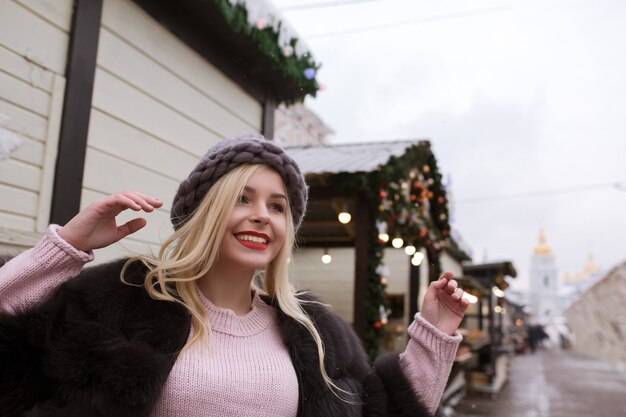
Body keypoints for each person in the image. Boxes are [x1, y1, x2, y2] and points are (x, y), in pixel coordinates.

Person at [0, 135, 469, 417]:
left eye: (277, 206)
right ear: (207, 212)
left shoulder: (314, 333)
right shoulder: (124, 298)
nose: (262, 215)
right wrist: (65, 248)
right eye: (243, 198)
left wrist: (434, 332)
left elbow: (383, 413)